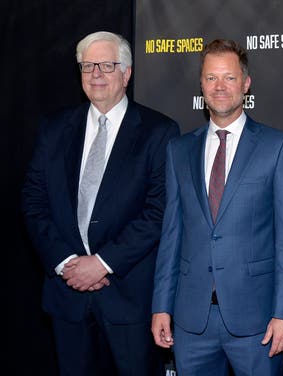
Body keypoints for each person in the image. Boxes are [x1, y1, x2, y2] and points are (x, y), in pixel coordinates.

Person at [22, 31, 180, 376]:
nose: (96, 74)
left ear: (127, 73)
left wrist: (103, 263)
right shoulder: (54, 128)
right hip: (68, 297)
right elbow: (34, 201)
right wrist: (66, 262)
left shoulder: (159, 131)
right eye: (88, 66)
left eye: (107, 65)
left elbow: (159, 210)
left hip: (128, 299)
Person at [151, 39, 283, 376]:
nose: (220, 87)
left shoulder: (277, 148)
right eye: (211, 78)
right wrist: (161, 305)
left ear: (246, 84)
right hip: (192, 321)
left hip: (258, 320)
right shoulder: (179, 151)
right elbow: (171, 235)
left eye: (229, 78)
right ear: (201, 84)